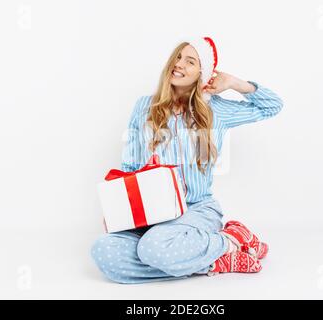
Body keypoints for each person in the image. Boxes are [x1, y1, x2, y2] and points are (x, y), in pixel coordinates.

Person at [91, 37, 283, 284]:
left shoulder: (216, 111)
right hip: (150, 212)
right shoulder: (144, 106)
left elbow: (272, 106)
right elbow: (131, 165)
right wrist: (121, 207)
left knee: (153, 247)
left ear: (202, 74)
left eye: (190, 61)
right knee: (104, 252)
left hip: (195, 209)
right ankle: (216, 259)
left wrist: (235, 83)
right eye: (178, 57)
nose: (179, 64)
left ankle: (229, 239)